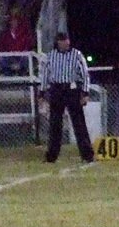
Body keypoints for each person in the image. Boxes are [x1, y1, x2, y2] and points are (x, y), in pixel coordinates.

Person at [39, 31, 94, 163]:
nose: (66, 43)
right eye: (63, 41)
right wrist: (41, 93)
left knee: (79, 123)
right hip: (57, 90)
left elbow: (85, 74)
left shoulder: (77, 55)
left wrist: (85, 93)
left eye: (67, 40)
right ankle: (52, 155)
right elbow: (45, 75)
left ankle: (87, 154)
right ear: (58, 42)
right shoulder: (50, 56)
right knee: (55, 124)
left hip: (72, 90)